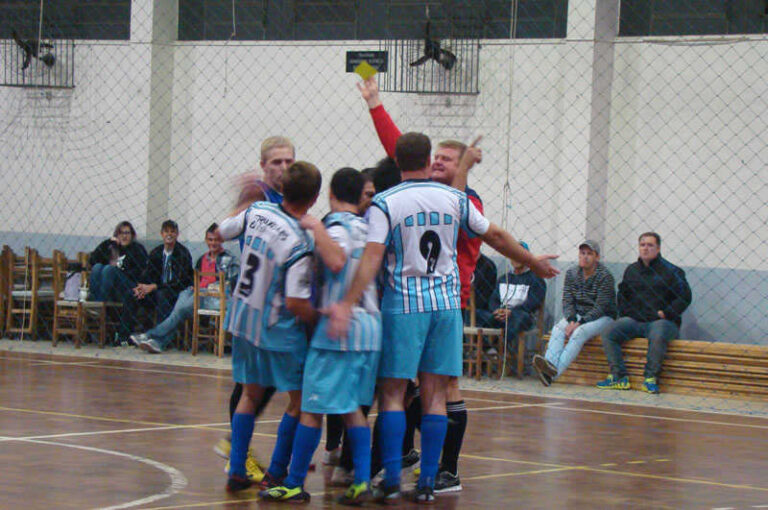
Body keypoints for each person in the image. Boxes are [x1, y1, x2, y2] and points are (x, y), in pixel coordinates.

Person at [327, 132, 559, 503]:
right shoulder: (456, 199)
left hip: (404, 306)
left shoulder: (385, 203)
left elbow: (372, 258)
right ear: (427, 159)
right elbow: (496, 235)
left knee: (393, 394)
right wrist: (532, 262)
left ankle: (388, 480)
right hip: (446, 306)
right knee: (435, 394)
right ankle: (429, 482)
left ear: (398, 162)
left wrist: (347, 302)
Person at [358, 76, 484, 493]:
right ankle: (408, 466)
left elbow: (472, 223)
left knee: (438, 387)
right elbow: (401, 146)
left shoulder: (466, 200)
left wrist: (462, 171)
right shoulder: (417, 193)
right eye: (439, 158)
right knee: (411, 389)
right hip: (425, 301)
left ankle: (446, 469)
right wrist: (375, 104)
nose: (440, 164)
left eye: (450, 160)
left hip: (446, 297)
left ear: (462, 165)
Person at [260, 168, 381, 505]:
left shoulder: (337, 226)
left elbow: (338, 260)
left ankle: (295, 482)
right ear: (360, 196)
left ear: (330, 193)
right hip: (370, 329)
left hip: (340, 329)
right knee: (351, 408)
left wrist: (315, 227)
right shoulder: (368, 226)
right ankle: (362, 480)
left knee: (312, 407)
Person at [220, 161, 321, 493]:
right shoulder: (300, 243)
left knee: (250, 393)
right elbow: (295, 302)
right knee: (302, 401)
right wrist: (320, 319)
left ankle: (237, 467)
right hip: (276, 328)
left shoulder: (256, 212)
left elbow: (222, 232)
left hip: (242, 318)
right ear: (315, 198)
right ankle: (277, 472)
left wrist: (242, 202)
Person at [214, 136, 296, 478]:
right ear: (264, 166)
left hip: (271, 306)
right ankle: (238, 448)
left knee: (264, 384)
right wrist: (241, 203)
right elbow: (223, 232)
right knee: (255, 384)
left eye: (289, 162)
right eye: (277, 162)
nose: (283, 168)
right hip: (256, 305)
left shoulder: (287, 200)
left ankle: (248, 450)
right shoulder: (260, 198)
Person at [597, 232, 692, 394]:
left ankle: (650, 378)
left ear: (658, 248)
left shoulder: (672, 272)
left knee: (658, 333)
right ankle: (619, 377)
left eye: (650, 245)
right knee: (609, 332)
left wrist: (667, 313)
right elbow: (622, 295)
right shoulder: (632, 270)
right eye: (642, 245)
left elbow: (685, 297)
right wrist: (627, 313)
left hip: (662, 322)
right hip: (635, 321)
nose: (645, 248)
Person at [129, 224, 240, 353]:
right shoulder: (202, 259)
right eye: (210, 239)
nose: (213, 243)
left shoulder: (230, 259)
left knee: (179, 311)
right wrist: (194, 286)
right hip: (196, 294)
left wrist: (210, 288)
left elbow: (232, 283)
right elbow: (195, 279)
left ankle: (150, 335)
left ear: (221, 240)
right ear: (206, 240)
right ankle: (157, 343)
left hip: (215, 298)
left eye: (216, 239)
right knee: (182, 300)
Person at [533, 240, 616, 386]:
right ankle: (549, 365)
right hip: (578, 315)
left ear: (597, 257)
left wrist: (578, 324)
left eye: (589, 254)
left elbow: (600, 308)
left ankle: (553, 374)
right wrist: (571, 320)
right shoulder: (572, 273)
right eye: (582, 253)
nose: (585, 257)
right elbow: (567, 301)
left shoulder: (605, 276)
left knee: (579, 333)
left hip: (603, 317)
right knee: (559, 328)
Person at [480, 241, 546, 373]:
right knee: (479, 314)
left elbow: (533, 303)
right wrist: (496, 310)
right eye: (513, 254)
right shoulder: (504, 278)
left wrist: (511, 312)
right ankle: (488, 348)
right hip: (500, 315)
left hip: (521, 315)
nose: (515, 258)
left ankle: (496, 348)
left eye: (519, 254)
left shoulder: (536, 279)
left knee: (518, 317)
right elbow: (493, 299)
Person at [87, 221, 148, 345]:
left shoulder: (137, 249)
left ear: (132, 235)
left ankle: (99, 306)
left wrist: (119, 271)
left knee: (109, 270)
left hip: (128, 286)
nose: (124, 236)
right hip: (109, 287)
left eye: (127, 233)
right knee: (98, 267)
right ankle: (97, 305)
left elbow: (139, 272)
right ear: (117, 235)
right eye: (121, 233)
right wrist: (109, 242)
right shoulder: (111, 247)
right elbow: (92, 260)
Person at [130, 220, 193, 338]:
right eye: (166, 231)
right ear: (161, 234)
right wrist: (141, 286)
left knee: (162, 295)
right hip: (157, 288)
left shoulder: (183, 253)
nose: (169, 234)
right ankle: (131, 335)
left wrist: (155, 286)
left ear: (177, 234)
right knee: (135, 295)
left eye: (172, 232)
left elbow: (181, 281)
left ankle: (157, 337)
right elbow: (148, 273)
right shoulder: (156, 252)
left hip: (177, 291)